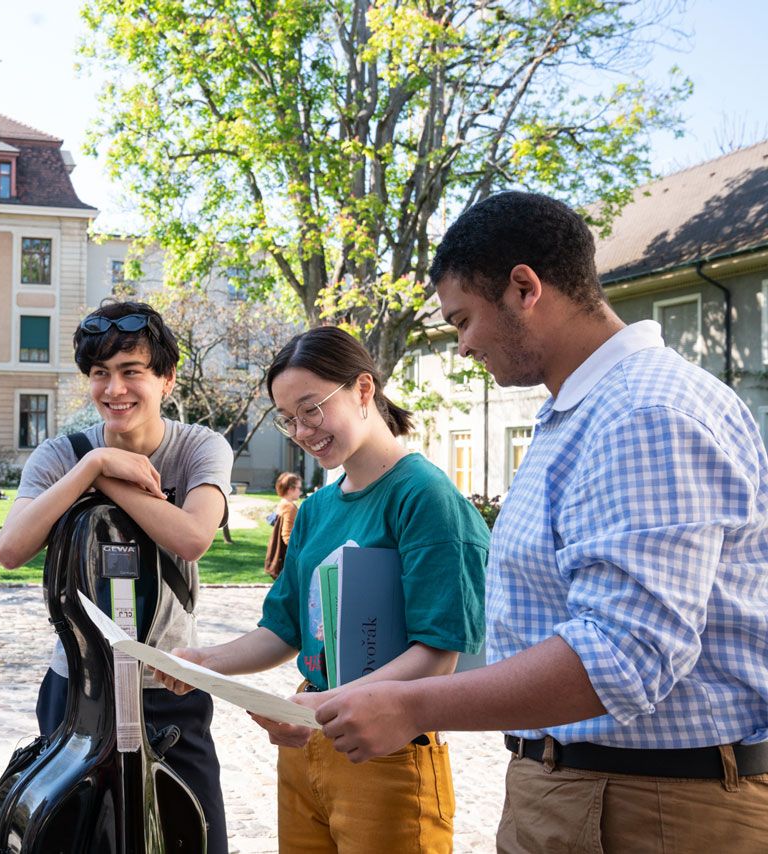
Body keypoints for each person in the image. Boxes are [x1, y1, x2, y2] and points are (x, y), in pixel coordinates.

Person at [304, 191, 768, 852]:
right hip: (582, 790)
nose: (462, 347)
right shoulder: (579, 412)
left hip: (649, 804)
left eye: (464, 321)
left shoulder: (643, 412)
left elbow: (623, 653)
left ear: (525, 288)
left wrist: (412, 704)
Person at [157, 326, 487, 853]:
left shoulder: (425, 497)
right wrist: (202, 661)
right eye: (288, 420)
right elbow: (283, 631)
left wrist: (320, 708)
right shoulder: (314, 510)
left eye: (311, 409)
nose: (302, 430)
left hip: (389, 750)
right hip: (308, 743)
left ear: (362, 389)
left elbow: (438, 656)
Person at [0, 300, 235, 854]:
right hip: (81, 689)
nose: (114, 388)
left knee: (195, 838)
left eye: (132, 372)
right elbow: (10, 549)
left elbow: (193, 536)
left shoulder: (200, 447)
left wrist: (108, 481)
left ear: (166, 380)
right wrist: (93, 466)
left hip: (170, 684)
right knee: (81, 838)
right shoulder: (64, 456)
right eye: (101, 374)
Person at [262, 471, 301, 580]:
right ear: (290, 489)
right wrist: (299, 553)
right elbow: (287, 536)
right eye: (299, 488)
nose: (300, 491)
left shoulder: (282, 504)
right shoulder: (289, 507)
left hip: (278, 556)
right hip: (285, 558)